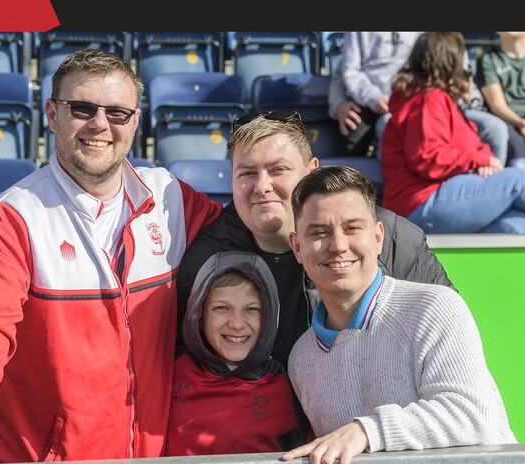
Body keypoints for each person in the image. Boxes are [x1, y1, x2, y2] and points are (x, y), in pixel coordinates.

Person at [0, 49, 223, 464]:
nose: (100, 124)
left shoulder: (168, 195)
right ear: (51, 113)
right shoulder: (12, 217)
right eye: (82, 108)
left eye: (117, 112)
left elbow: (247, 235)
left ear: (135, 121)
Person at [281, 165, 518, 464]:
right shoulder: (301, 358)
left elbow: (471, 415)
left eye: (352, 228)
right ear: (297, 247)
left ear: (378, 238)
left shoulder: (434, 306)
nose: (338, 245)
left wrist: (365, 432)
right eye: (319, 232)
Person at [177, 110, 454, 370]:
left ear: (311, 171)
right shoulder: (206, 262)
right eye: (247, 173)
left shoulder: (393, 238)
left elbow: (450, 340)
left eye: (278, 170)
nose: (262, 186)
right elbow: (185, 366)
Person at [167, 251, 301, 464]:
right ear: (199, 314)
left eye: (252, 309)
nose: (237, 323)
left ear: (269, 316)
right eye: (222, 308)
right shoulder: (173, 371)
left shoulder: (284, 383)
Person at [380, 31, 525, 234]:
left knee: (519, 226)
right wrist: (476, 160)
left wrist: (483, 160)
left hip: (444, 192)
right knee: (520, 181)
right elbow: (427, 158)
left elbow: (473, 145)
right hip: (419, 201)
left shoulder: (440, 99)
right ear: (451, 59)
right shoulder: (426, 100)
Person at [330, 31, 508, 164]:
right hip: (385, 103)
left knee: (496, 129)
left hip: (441, 99)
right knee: (385, 127)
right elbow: (349, 71)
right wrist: (372, 98)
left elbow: (459, 68)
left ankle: (487, 181)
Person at [475, 32, 525, 164]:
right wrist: (520, 123)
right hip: (506, 121)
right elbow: (497, 105)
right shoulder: (488, 59)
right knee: (519, 153)